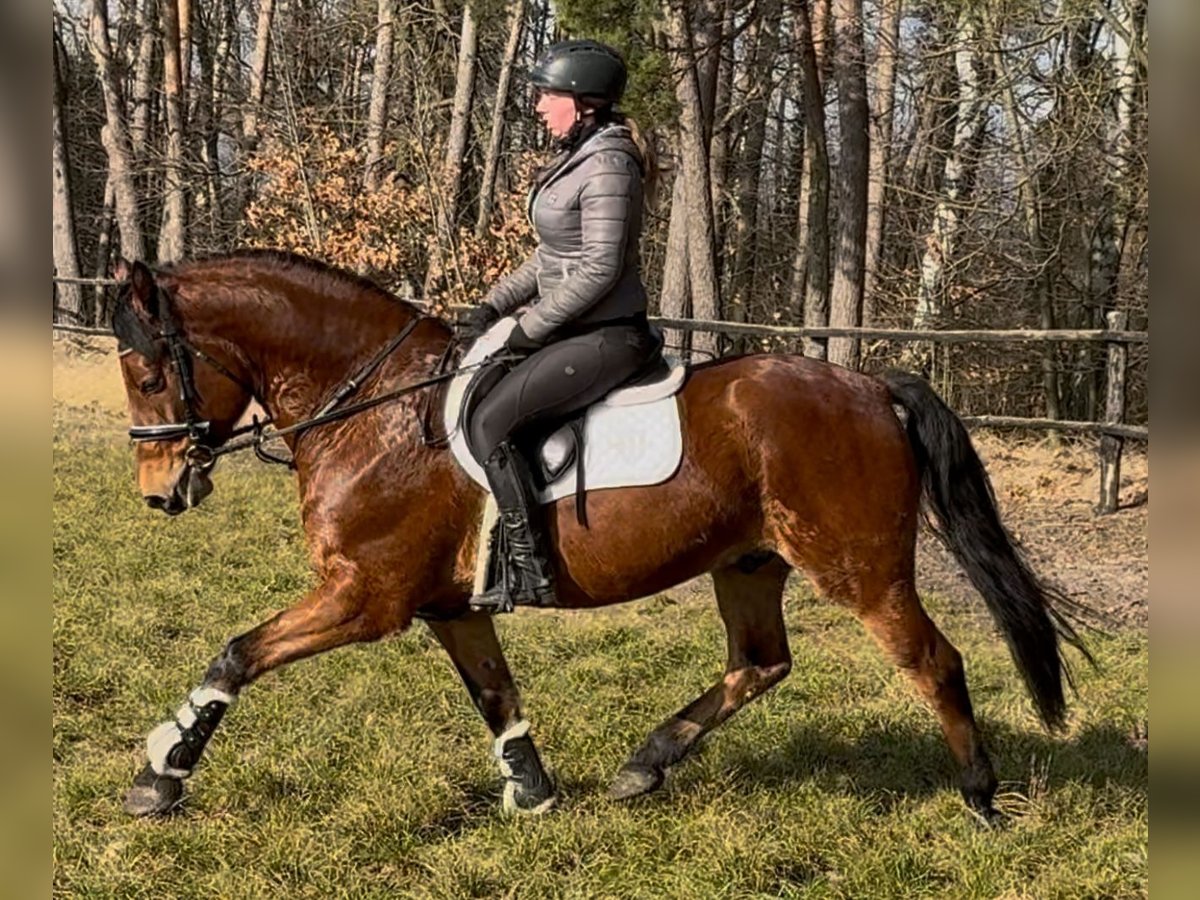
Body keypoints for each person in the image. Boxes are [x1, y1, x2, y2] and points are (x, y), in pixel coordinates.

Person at [458, 39, 662, 613]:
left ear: (584, 103)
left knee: (493, 421)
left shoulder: (609, 163)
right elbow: (550, 257)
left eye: (549, 94)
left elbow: (599, 267)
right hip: (571, 329)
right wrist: (492, 307)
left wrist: (530, 329)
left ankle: (531, 569)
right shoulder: (579, 158)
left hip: (608, 335)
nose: (539, 105)